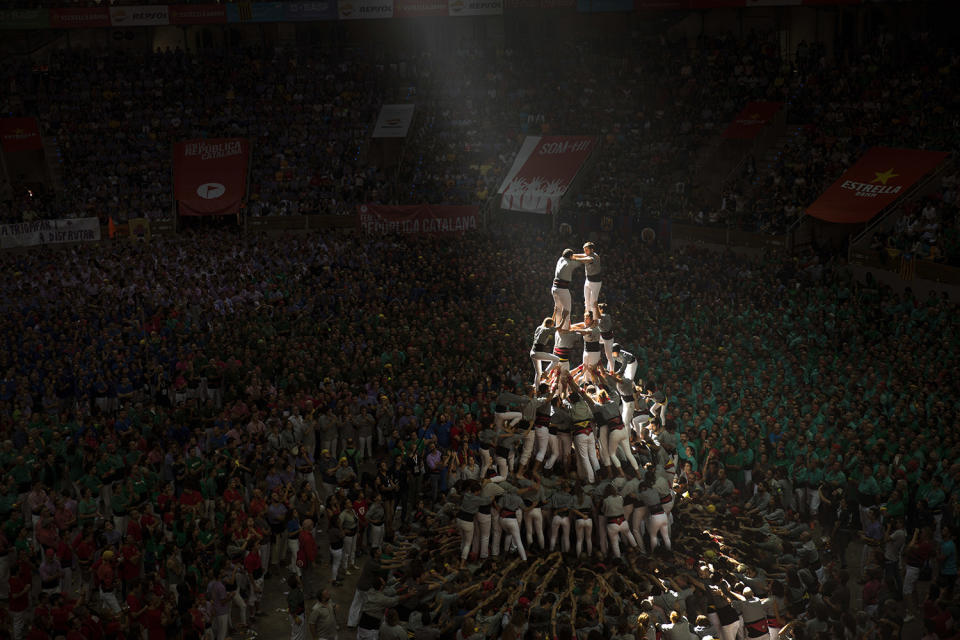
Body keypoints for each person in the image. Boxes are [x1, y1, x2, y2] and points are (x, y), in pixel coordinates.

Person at [572, 242, 601, 318]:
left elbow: (586, 260)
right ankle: (587, 318)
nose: (585, 251)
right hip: (588, 280)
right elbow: (582, 255)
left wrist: (574, 258)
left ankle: (595, 320)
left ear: (592, 250)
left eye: (586, 250)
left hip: (596, 282)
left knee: (593, 302)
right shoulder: (587, 254)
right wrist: (571, 255)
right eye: (584, 250)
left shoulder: (594, 257)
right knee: (586, 302)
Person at [551, 248, 577, 330]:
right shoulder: (569, 263)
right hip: (562, 289)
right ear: (570, 256)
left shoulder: (560, 259)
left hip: (554, 288)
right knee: (567, 310)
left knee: (558, 309)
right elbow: (580, 262)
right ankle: (565, 329)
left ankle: (559, 328)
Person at [530, 317, 560, 385]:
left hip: (532, 352)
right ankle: (546, 372)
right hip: (538, 353)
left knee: (538, 373)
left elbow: (549, 321)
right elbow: (559, 327)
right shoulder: (547, 330)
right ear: (550, 324)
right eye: (552, 324)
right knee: (557, 359)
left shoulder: (539, 327)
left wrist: (554, 312)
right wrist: (564, 317)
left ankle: (536, 391)